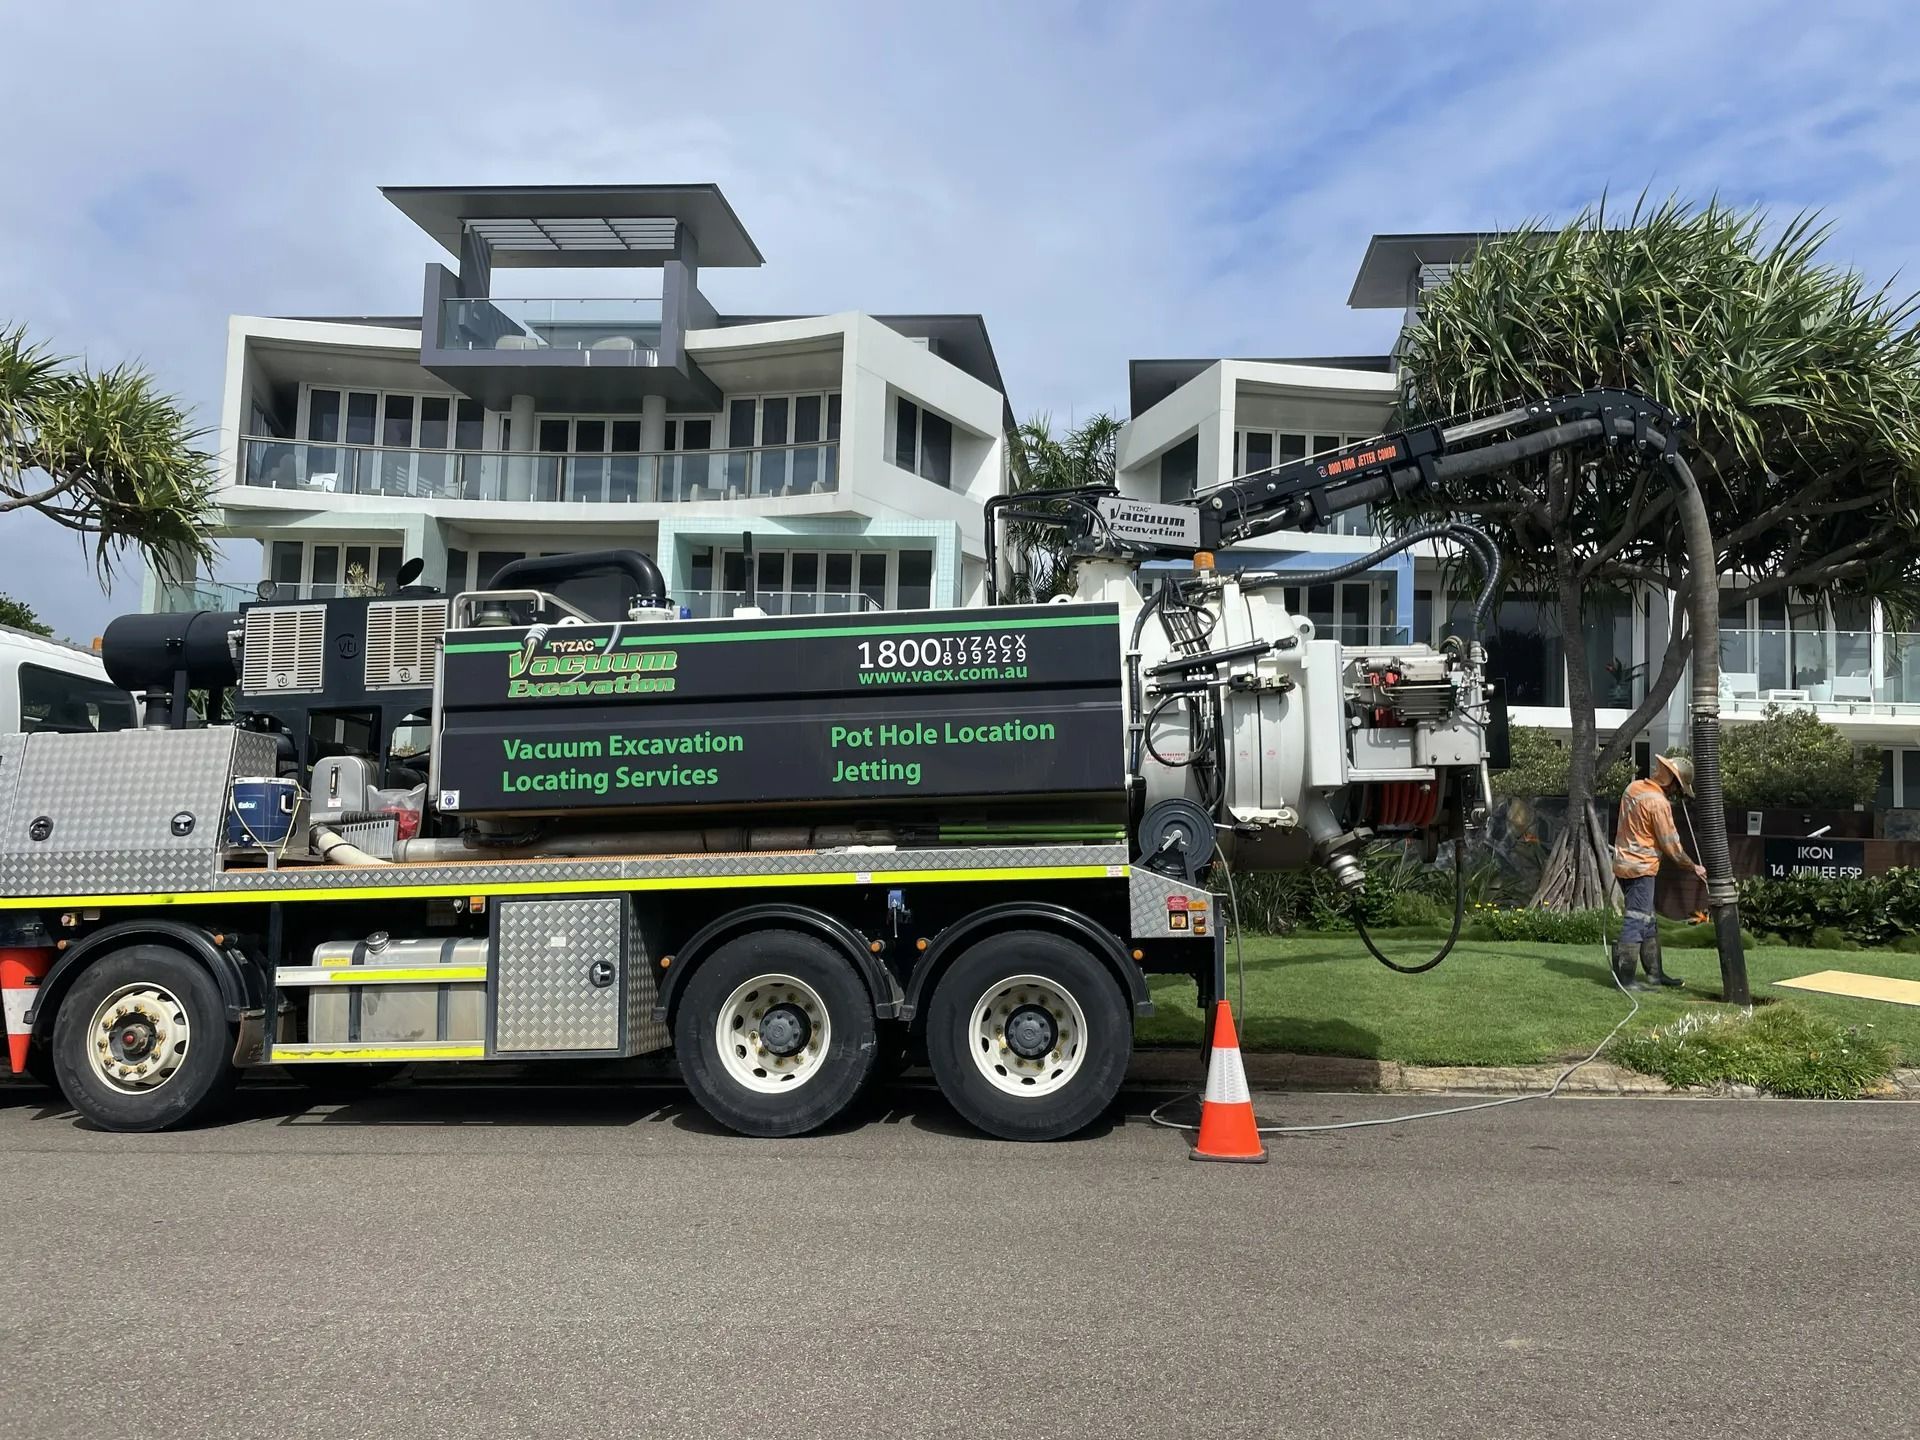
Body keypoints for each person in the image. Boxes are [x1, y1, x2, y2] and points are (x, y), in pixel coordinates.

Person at [1610, 754, 1707, 991]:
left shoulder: (1633, 789)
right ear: (1672, 782)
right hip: (1642, 868)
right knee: (1637, 921)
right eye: (1678, 787)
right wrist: (1693, 866)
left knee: (1648, 921)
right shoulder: (1659, 803)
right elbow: (1671, 846)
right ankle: (1626, 979)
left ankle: (1656, 974)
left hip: (1624, 863)